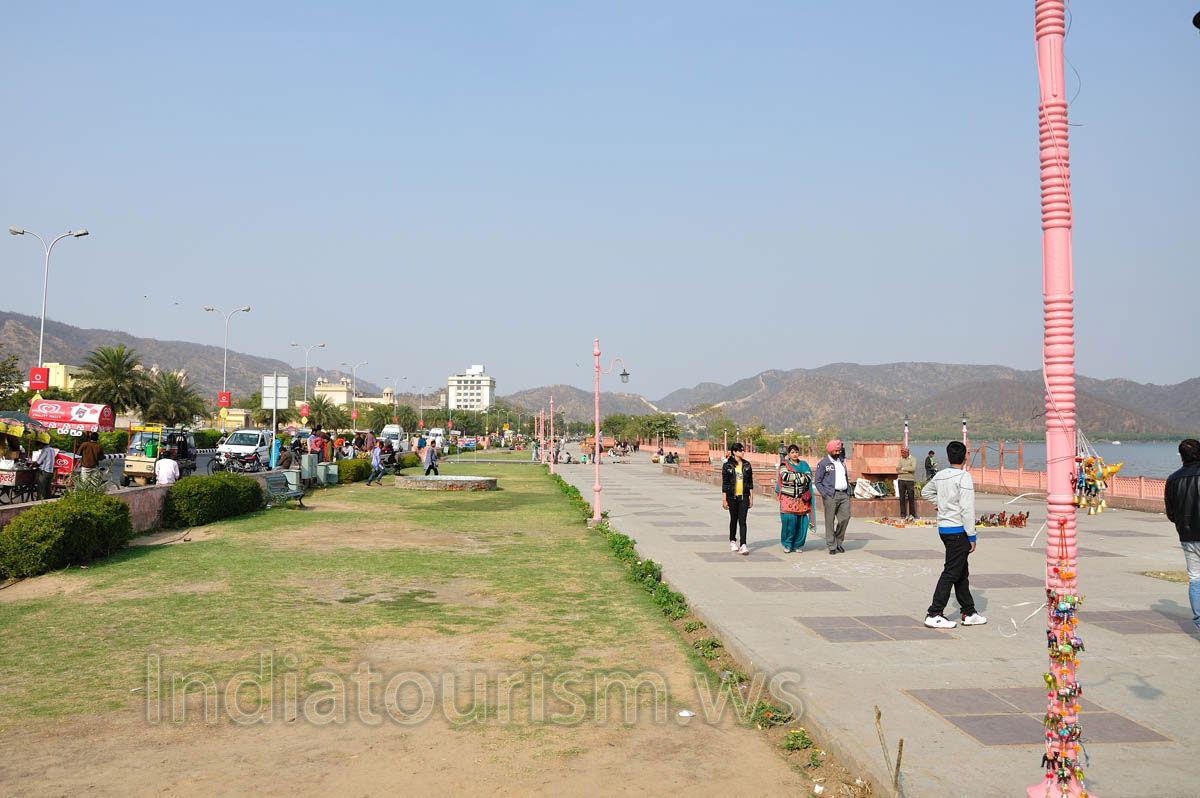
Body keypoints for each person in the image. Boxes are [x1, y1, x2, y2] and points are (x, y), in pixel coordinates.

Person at [921, 441, 986, 629]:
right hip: (958, 530)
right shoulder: (964, 477)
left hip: (944, 528)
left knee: (961, 572)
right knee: (951, 572)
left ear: (948, 457)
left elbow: (926, 491)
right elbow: (967, 508)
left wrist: (940, 504)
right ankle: (934, 613)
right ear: (965, 457)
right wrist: (972, 536)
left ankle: (969, 611)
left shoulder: (940, 475)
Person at [1164, 438, 1200, 632]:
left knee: (1195, 578)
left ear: (1181, 457)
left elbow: (1171, 514)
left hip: (1187, 537)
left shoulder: (1173, 479)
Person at [814, 439, 851, 555]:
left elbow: (845, 476)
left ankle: (839, 542)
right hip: (831, 495)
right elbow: (818, 481)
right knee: (830, 521)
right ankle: (832, 545)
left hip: (844, 494)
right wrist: (825, 494)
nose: (838, 452)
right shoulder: (824, 463)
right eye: (836, 450)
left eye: (839, 450)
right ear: (830, 450)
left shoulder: (841, 461)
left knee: (845, 518)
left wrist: (848, 492)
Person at [777, 444, 814, 553]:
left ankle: (798, 544)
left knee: (802, 522)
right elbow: (785, 476)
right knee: (789, 521)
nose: (795, 454)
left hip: (801, 499)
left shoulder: (804, 464)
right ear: (788, 454)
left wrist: (795, 476)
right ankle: (787, 544)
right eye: (792, 452)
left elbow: (809, 476)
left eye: (796, 452)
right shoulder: (784, 465)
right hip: (788, 498)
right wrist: (800, 476)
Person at [721, 442, 753, 556]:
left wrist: (751, 498)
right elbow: (725, 484)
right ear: (734, 452)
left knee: (743, 520)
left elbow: (750, 483)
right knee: (734, 519)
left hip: (744, 496)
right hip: (731, 496)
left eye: (743, 450)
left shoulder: (747, 465)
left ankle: (743, 544)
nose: (742, 452)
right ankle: (732, 540)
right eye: (740, 450)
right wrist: (724, 499)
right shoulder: (727, 466)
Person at [896, 446, 917, 522]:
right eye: (901, 452)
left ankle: (912, 514)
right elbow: (897, 470)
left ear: (907, 452)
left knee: (911, 497)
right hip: (901, 480)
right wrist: (906, 469)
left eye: (903, 452)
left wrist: (903, 469)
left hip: (910, 480)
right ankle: (903, 514)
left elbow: (913, 469)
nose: (902, 454)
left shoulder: (913, 459)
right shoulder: (900, 459)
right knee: (902, 498)